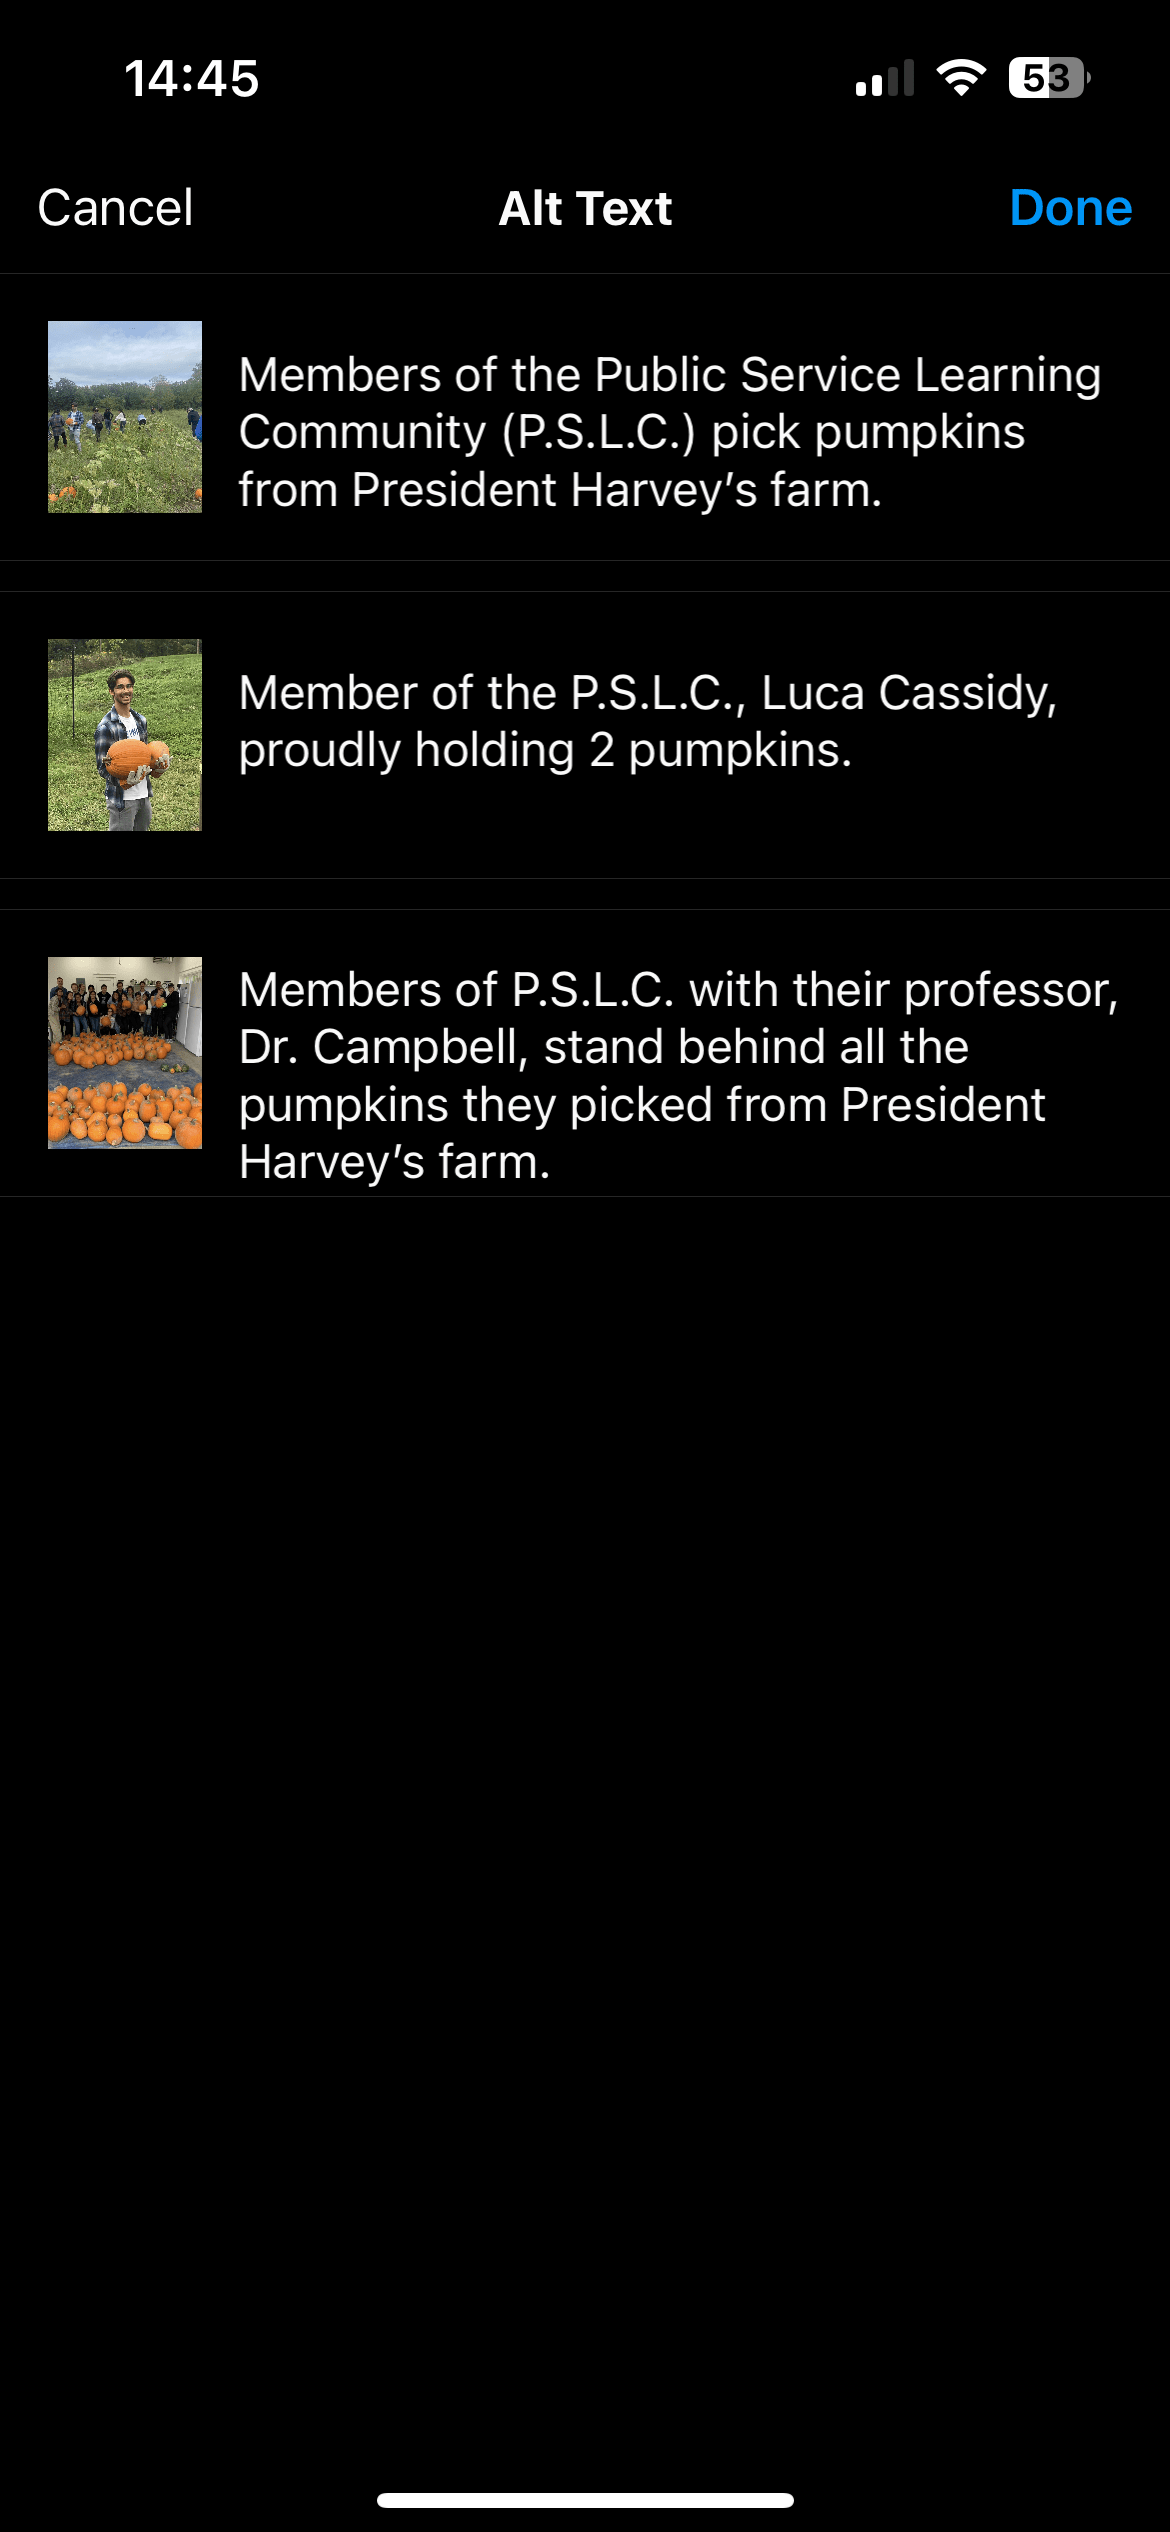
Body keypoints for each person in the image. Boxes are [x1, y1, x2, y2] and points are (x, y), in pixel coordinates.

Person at [95, 670, 165, 836]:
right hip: (122, 800)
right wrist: (124, 782)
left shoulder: (140, 720)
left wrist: (158, 767)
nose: (126, 691)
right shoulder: (106, 727)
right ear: (111, 691)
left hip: (143, 794)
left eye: (129, 686)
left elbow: (143, 756)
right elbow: (102, 768)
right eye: (120, 687)